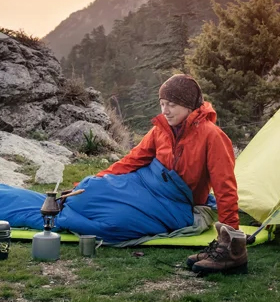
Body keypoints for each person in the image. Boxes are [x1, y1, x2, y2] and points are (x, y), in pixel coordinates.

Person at [95, 74, 247, 274]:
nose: (165, 111)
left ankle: (232, 254)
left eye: (172, 105)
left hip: (178, 204)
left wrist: (230, 235)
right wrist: (100, 178)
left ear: (189, 105)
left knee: (116, 220)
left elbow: (224, 186)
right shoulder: (160, 131)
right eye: (162, 104)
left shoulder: (213, 137)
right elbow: (133, 160)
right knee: (95, 189)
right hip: (151, 191)